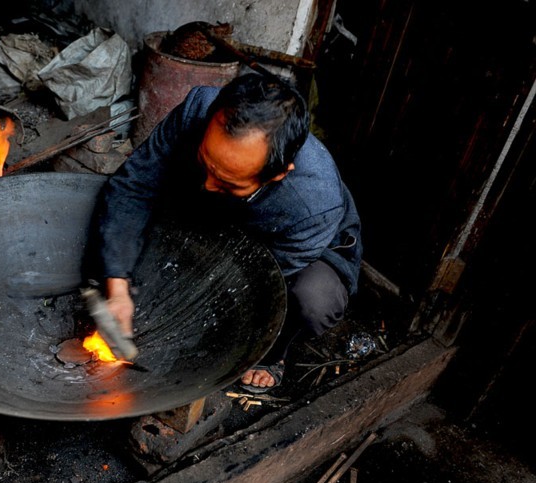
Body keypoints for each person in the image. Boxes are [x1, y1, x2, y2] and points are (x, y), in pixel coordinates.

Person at [94, 71, 362, 392]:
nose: (208, 183)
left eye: (227, 180)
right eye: (207, 162)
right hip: (221, 213)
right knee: (140, 236)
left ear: (276, 175)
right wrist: (117, 285)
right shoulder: (199, 108)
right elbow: (134, 186)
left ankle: (272, 356)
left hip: (293, 249)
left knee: (311, 299)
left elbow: (260, 283)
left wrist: (184, 316)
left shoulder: (313, 205)